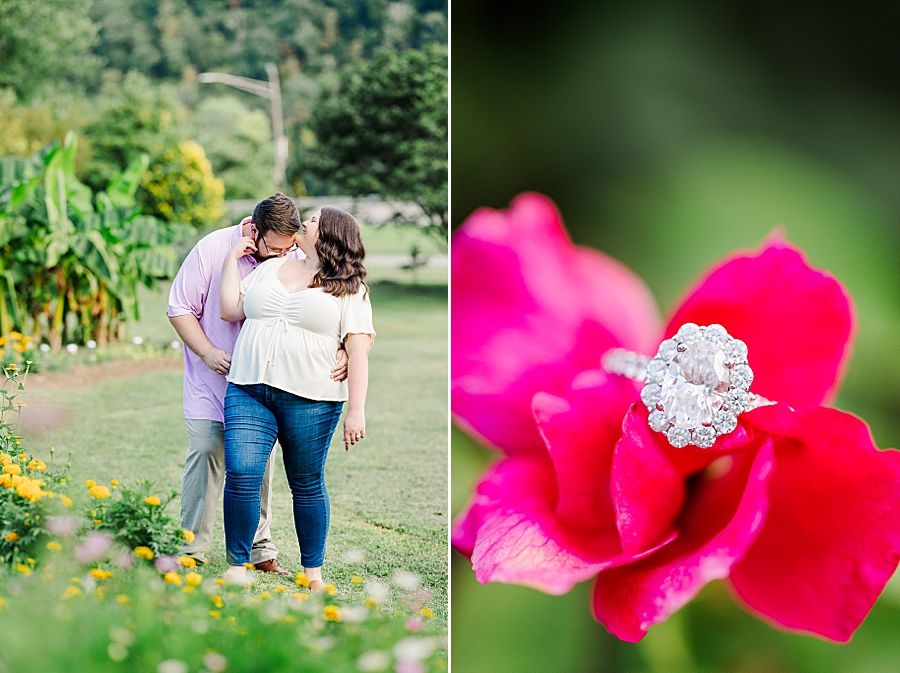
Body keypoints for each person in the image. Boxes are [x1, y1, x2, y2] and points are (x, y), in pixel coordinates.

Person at [167, 193, 348, 574]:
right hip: (212, 379)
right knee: (205, 453)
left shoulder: (291, 258)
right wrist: (208, 352)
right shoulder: (214, 249)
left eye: (288, 246)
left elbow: (342, 301)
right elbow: (180, 308)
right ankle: (191, 549)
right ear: (254, 231)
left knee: (254, 464)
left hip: (267, 380)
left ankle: (259, 549)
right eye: (274, 247)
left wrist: (347, 348)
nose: (282, 255)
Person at [218, 205, 374, 588]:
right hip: (249, 388)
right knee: (242, 473)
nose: (304, 222)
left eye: (314, 220)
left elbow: (358, 349)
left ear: (331, 235)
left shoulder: (351, 287)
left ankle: (312, 574)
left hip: (312, 398)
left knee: (305, 482)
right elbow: (229, 310)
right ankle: (237, 566)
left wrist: (357, 410)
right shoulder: (270, 267)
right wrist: (229, 262)